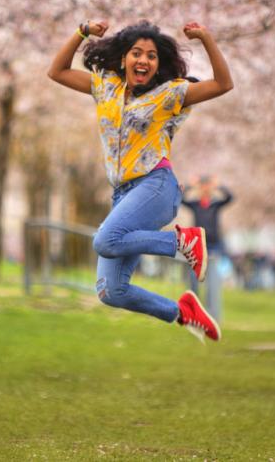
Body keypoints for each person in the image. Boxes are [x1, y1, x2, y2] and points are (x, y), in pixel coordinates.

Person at [47, 19, 233, 342]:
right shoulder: (105, 86)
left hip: (156, 186)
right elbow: (57, 71)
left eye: (151, 56)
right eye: (136, 53)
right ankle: (182, 312)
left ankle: (181, 242)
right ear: (123, 59)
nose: (143, 60)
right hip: (123, 194)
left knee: (104, 241)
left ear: (158, 64)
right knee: (111, 290)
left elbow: (222, 84)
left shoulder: (169, 94)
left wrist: (206, 39)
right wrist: (81, 32)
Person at [182, 177, 233, 320]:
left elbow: (230, 198)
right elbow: (180, 199)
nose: (205, 189)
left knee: (213, 282)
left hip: (214, 246)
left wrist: (220, 185)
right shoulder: (195, 205)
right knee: (194, 280)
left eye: (207, 186)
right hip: (197, 244)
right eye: (203, 186)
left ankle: (212, 314)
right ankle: (193, 310)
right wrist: (189, 186)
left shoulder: (216, 204)